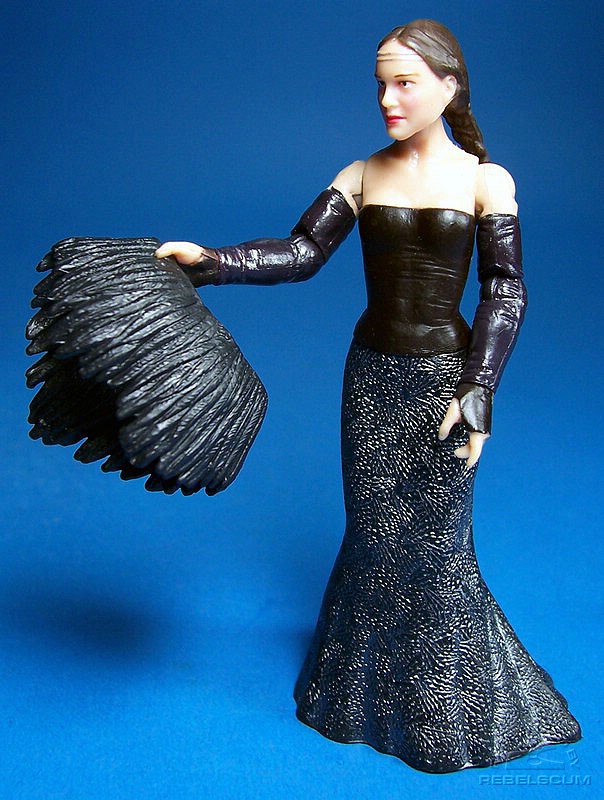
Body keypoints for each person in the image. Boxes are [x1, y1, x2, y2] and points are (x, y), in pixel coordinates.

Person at [156, 19, 580, 773]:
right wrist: (212, 262)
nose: (387, 99)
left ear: (449, 86)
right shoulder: (361, 174)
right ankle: (358, 697)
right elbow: (301, 252)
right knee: (375, 534)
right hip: (373, 379)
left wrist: (479, 388)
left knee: (440, 544)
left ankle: (451, 710)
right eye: (381, 83)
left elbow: (506, 292)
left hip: (444, 383)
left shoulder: (487, 182)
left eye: (404, 82)